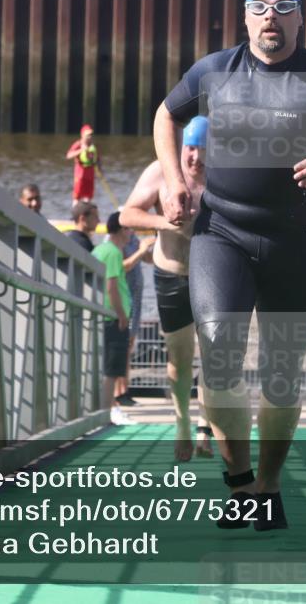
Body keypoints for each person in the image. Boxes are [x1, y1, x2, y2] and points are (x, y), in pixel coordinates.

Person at [153, 0, 306, 530]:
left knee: (282, 372)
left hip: (296, 240)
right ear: (245, 16)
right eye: (260, 7)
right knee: (218, 352)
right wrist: (171, 180)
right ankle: (238, 484)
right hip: (222, 232)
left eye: (284, 7)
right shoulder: (214, 71)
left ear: (301, 17)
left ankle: (269, 484)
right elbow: (167, 114)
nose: (271, 18)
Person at [121, 115, 215, 461]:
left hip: (213, 277)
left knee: (214, 359)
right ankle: (182, 425)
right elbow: (127, 215)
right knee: (180, 360)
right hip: (172, 274)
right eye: (191, 148)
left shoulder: (223, 176)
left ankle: (206, 428)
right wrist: (164, 221)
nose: (196, 159)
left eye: (204, 151)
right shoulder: (161, 170)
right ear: (182, 146)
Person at [92, 212, 136, 426]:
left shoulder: (100, 248)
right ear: (120, 229)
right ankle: (104, 416)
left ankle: (103, 413)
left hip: (103, 315)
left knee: (106, 368)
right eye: (128, 228)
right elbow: (111, 286)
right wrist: (121, 314)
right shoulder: (113, 253)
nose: (131, 232)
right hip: (113, 317)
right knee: (112, 369)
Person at [115, 229, 155, 406]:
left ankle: (125, 390)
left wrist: (157, 245)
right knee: (121, 349)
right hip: (125, 301)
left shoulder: (133, 239)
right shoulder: (117, 241)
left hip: (135, 303)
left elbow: (147, 259)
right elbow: (124, 265)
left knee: (129, 347)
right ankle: (118, 393)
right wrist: (141, 250)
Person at [67, 124, 101, 205]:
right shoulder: (78, 144)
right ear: (82, 135)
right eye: (88, 135)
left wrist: (99, 168)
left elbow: (98, 158)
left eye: (91, 135)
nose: (90, 137)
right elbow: (68, 155)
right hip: (80, 175)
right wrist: (81, 150)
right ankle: (75, 212)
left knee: (88, 197)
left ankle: (86, 213)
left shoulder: (93, 146)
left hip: (90, 175)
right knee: (77, 196)